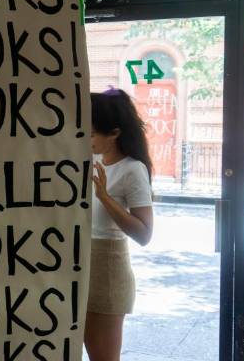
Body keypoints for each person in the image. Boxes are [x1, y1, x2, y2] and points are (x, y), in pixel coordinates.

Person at [85, 88, 154, 361]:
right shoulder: (90, 160)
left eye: (91, 134)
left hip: (108, 269)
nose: (85, 139)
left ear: (114, 133)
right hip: (81, 265)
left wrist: (105, 197)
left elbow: (144, 234)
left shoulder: (132, 169)